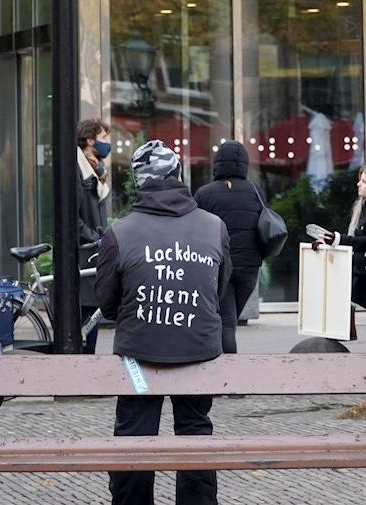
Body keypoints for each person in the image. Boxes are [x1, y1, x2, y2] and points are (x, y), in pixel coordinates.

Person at [95, 139, 232, 505]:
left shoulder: (119, 233)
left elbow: (107, 303)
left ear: (138, 183)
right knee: (194, 428)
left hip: (139, 359)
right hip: (198, 354)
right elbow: (216, 293)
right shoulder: (214, 227)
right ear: (178, 176)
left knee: (134, 433)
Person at [194, 140, 267, 354]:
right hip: (249, 268)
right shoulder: (256, 191)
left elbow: (196, 232)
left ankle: (225, 369)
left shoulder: (204, 193)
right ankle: (222, 362)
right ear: (244, 164)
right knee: (230, 320)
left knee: (224, 322)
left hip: (218, 268)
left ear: (217, 164)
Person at [316, 164, 366, 337]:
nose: (358, 184)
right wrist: (331, 240)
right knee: (344, 306)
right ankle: (340, 339)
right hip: (361, 270)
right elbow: (359, 240)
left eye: (364, 181)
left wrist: (339, 239)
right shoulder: (363, 207)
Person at [76, 118, 111, 353]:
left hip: (92, 252)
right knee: (86, 313)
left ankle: (89, 364)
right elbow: (71, 218)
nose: (108, 143)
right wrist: (94, 237)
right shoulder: (79, 171)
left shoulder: (96, 170)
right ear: (90, 141)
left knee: (93, 312)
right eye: (104, 138)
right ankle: (83, 368)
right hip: (82, 252)